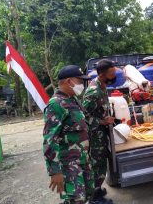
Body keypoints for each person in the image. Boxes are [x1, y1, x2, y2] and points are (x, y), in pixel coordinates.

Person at [43, 65, 94, 204]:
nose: (82, 85)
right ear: (68, 81)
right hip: (68, 164)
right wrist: (55, 171)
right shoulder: (56, 104)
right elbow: (49, 140)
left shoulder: (72, 99)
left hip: (82, 159)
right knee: (75, 199)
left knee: (87, 195)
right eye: (80, 81)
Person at [83, 60, 116, 204]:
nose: (114, 74)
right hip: (95, 135)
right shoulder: (93, 91)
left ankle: (97, 190)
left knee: (102, 164)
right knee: (96, 165)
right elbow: (83, 116)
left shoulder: (103, 86)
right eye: (112, 72)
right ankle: (93, 198)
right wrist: (102, 122)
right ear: (103, 74)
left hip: (102, 133)